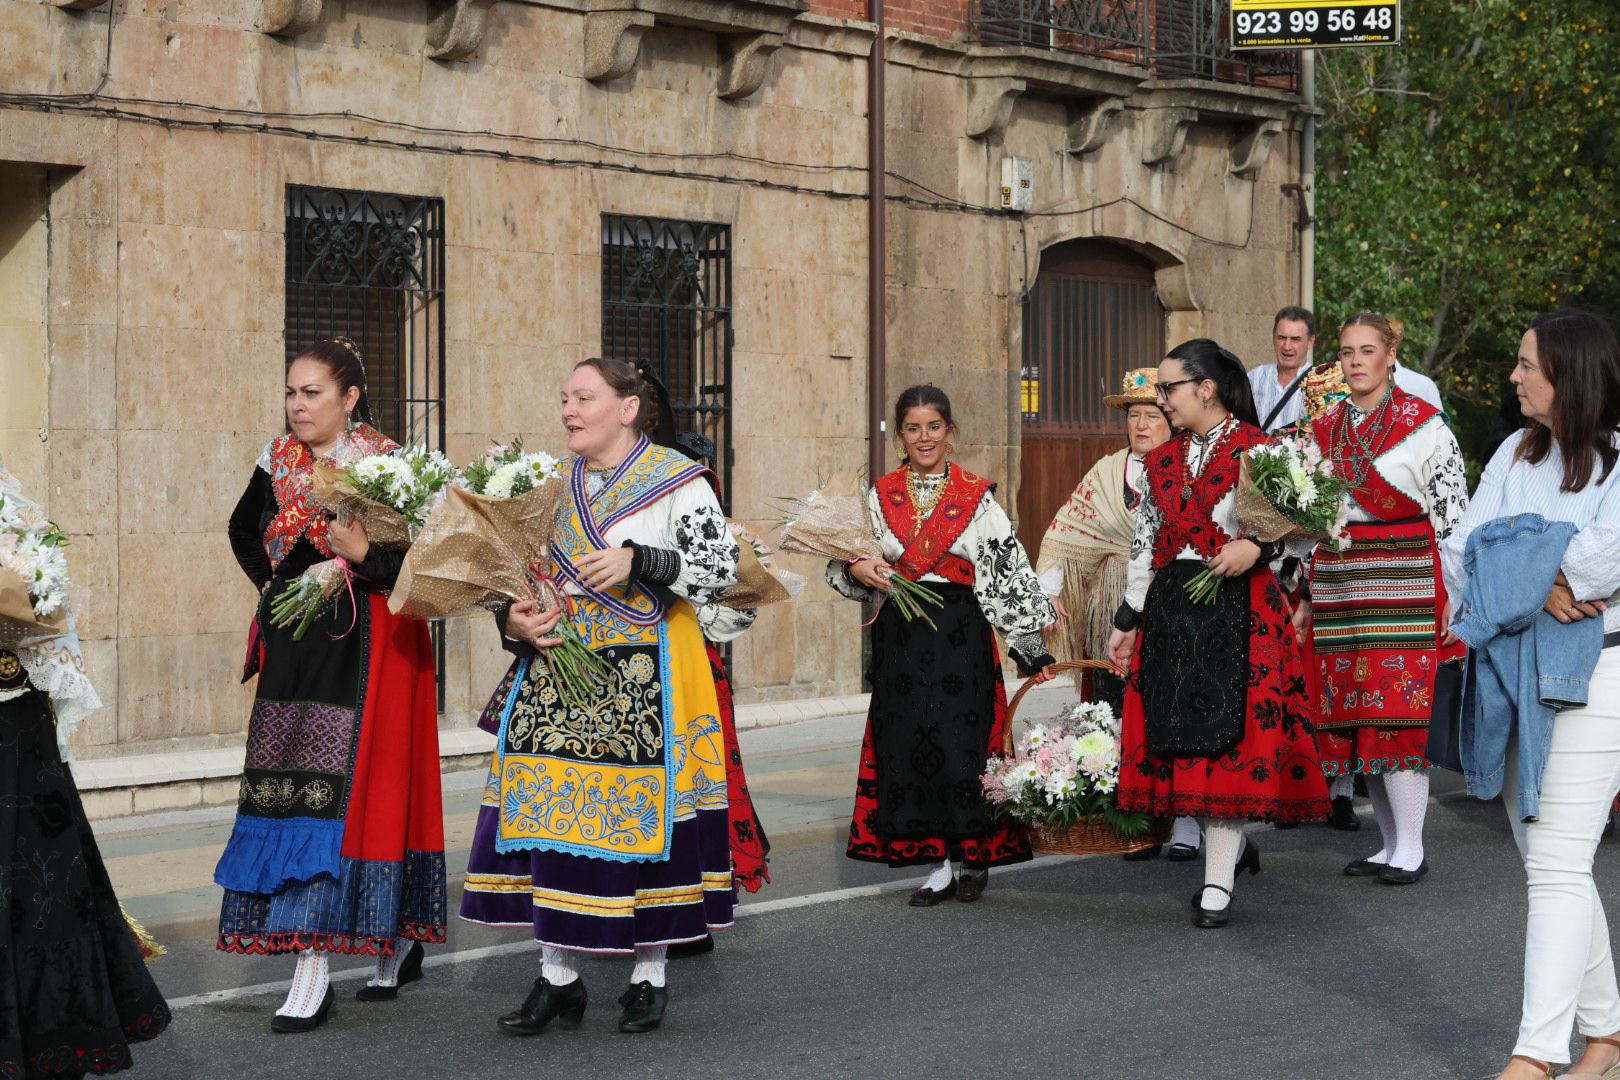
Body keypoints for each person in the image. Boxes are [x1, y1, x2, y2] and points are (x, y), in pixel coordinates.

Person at [460, 357, 740, 1035]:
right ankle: (558, 978)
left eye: (583, 397)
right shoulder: (549, 487)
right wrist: (513, 620)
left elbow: (722, 569)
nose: (569, 410)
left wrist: (639, 560)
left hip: (649, 678)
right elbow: (519, 580)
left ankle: (649, 977)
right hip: (560, 671)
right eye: (564, 399)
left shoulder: (676, 480)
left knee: (642, 834)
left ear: (628, 407)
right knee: (555, 826)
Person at [219, 339, 447, 1032]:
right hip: (297, 645)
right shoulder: (279, 459)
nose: (297, 405)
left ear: (349, 398)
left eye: (311, 392)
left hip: (366, 647)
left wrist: (359, 560)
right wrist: (277, 587)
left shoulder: (383, 463)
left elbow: (422, 562)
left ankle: (315, 967)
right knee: (285, 790)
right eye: (291, 392)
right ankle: (392, 938)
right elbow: (241, 529)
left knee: (346, 797)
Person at [1438, 310, 1620, 1080]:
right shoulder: (1513, 450)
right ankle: (1608, 1040)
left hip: (1596, 674)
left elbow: (1601, 566)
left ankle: (1536, 1057)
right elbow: (1461, 553)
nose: (1513, 377)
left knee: (1553, 863)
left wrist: (1527, 562)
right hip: (1508, 669)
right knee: (1553, 862)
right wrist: (1540, 573)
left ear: (1569, 375)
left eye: (1525, 365)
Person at [1107, 340, 1329, 928]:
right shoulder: (1158, 461)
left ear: (1205, 388)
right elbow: (1144, 546)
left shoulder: (1263, 450)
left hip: (1242, 609)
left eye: (1169, 389)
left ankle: (1217, 881)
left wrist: (1257, 545)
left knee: (1228, 746)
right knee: (1184, 739)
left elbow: (1308, 530)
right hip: (1176, 608)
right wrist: (1128, 621)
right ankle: (1227, 849)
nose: (1160, 401)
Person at [831, 385, 1056, 906]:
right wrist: (857, 566)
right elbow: (845, 559)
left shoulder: (976, 495)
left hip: (960, 632)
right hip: (901, 638)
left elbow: (1004, 568)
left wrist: (1029, 646)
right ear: (900, 435)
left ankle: (973, 855)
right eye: (913, 428)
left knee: (964, 747)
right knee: (910, 746)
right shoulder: (878, 494)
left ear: (949, 432)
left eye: (934, 427)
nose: (924, 437)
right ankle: (937, 864)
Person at [0, 457, 171, 1076]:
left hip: (15, 725)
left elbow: (43, 598)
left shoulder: (10, 507)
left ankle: (52, 1030)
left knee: (36, 881)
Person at [1303, 314, 1469, 885]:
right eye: (1346, 351)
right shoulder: (1321, 426)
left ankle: (1413, 847)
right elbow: (1306, 509)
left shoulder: (1424, 424)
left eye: (1366, 350)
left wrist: (1458, 592)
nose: (1354, 361)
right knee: (1357, 715)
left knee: (1394, 713)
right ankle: (1390, 842)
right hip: (1339, 580)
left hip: (1403, 576)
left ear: (1390, 353)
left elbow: (1452, 515)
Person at [1034, 368, 1202, 861]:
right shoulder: (1106, 473)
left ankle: (1185, 818)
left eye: (1152, 414)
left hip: (1169, 604)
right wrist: (1051, 589)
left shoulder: (1186, 470)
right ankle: (1128, 815)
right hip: (1112, 611)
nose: (1142, 425)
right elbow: (1065, 532)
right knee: (1115, 710)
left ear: (1171, 419)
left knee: (1171, 707)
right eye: (1134, 415)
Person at [1249, 306, 1319, 433]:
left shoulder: (1321, 384)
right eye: (1281, 338)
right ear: (1273, 338)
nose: (1287, 346)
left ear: (1310, 341)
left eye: (1295, 339)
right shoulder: (1255, 377)